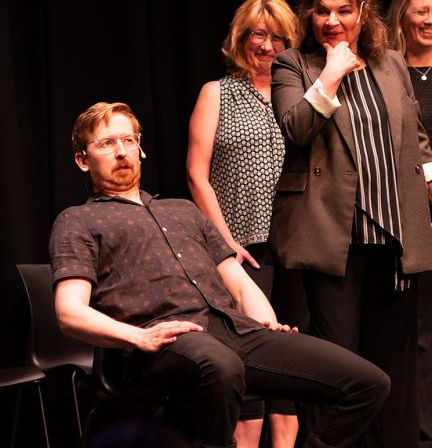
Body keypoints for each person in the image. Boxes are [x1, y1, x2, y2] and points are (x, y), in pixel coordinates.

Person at [50, 101, 390, 448]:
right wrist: (139, 338)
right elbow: (69, 313)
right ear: (83, 159)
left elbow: (237, 281)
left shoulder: (183, 210)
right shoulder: (77, 221)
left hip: (233, 331)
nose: (121, 151)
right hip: (163, 341)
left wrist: (266, 323)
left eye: (128, 140)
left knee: (368, 383)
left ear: (141, 149)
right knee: (222, 367)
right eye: (107, 143)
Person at [269, 0, 432, 448]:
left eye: (343, 9)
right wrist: (332, 76)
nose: (332, 20)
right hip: (334, 242)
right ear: (309, 15)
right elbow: (296, 127)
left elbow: (416, 140)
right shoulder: (293, 64)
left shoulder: (392, 64)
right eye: (322, 11)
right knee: (341, 369)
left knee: (393, 370)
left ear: (364, 13)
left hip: (395, 238)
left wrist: (428, 178)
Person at [187, 0, 298, 447]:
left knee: (293, 355)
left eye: (278, 37)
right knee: (250, 354)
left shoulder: (300, 94)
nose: (267, 45)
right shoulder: (218, 93)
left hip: (298, 246)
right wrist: (224, 241)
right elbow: (196, 174)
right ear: (241, 37)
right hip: (240, 248)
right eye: (258, 33)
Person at [388, 0, 432, 448]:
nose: (429, 20)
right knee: (420, 328)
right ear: (403, 14)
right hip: (412, 211)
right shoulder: (391, 69)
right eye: (422, 10)